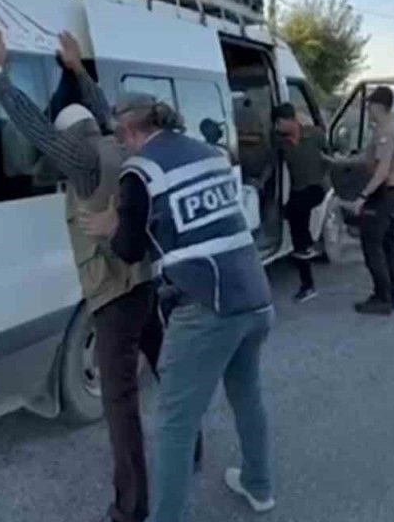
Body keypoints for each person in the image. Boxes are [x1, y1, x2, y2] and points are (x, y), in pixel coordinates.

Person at [0, 26, 179, 522]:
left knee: (120, 403)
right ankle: (188, 446)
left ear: (69, 136)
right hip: (146, 280)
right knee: (167, 370)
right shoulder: (121, 145)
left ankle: (131, 508)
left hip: (113, 293)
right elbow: (105, 110)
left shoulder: (83, 160)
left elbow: (35, 129)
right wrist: (77, 72)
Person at [80, 92, 276, 522]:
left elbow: (130, 250)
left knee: (173, 422)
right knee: (247, 395)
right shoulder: (209, 153)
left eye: (117, 135)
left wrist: (111, 227)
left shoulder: (140, 172)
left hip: (208, 306)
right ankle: (259, 486)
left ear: (129, 130)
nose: (118, 144)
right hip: (256, 295)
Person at [335, 86, 394, 316]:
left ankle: (382, 298)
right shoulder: (391, 130)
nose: (367, 109)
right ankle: (392, 294)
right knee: (387, 244)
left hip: (385, 194)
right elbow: (367, 158)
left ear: (378, 106)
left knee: (373, 245)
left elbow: (382, 171)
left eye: (369, 105)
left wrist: (362, 197)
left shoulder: (386, 133)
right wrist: (337, 161)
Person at [272, 102, 328, 303]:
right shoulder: (281, 143)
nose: (277, 127)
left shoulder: (315, 135)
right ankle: (307, 283)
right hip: (297, 191)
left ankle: (308, 244)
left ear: (290, 120)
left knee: (296, 212)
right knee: (296, 230)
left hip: (316, 188)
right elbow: (270, 165)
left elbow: (331, 155)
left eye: (279, 122)